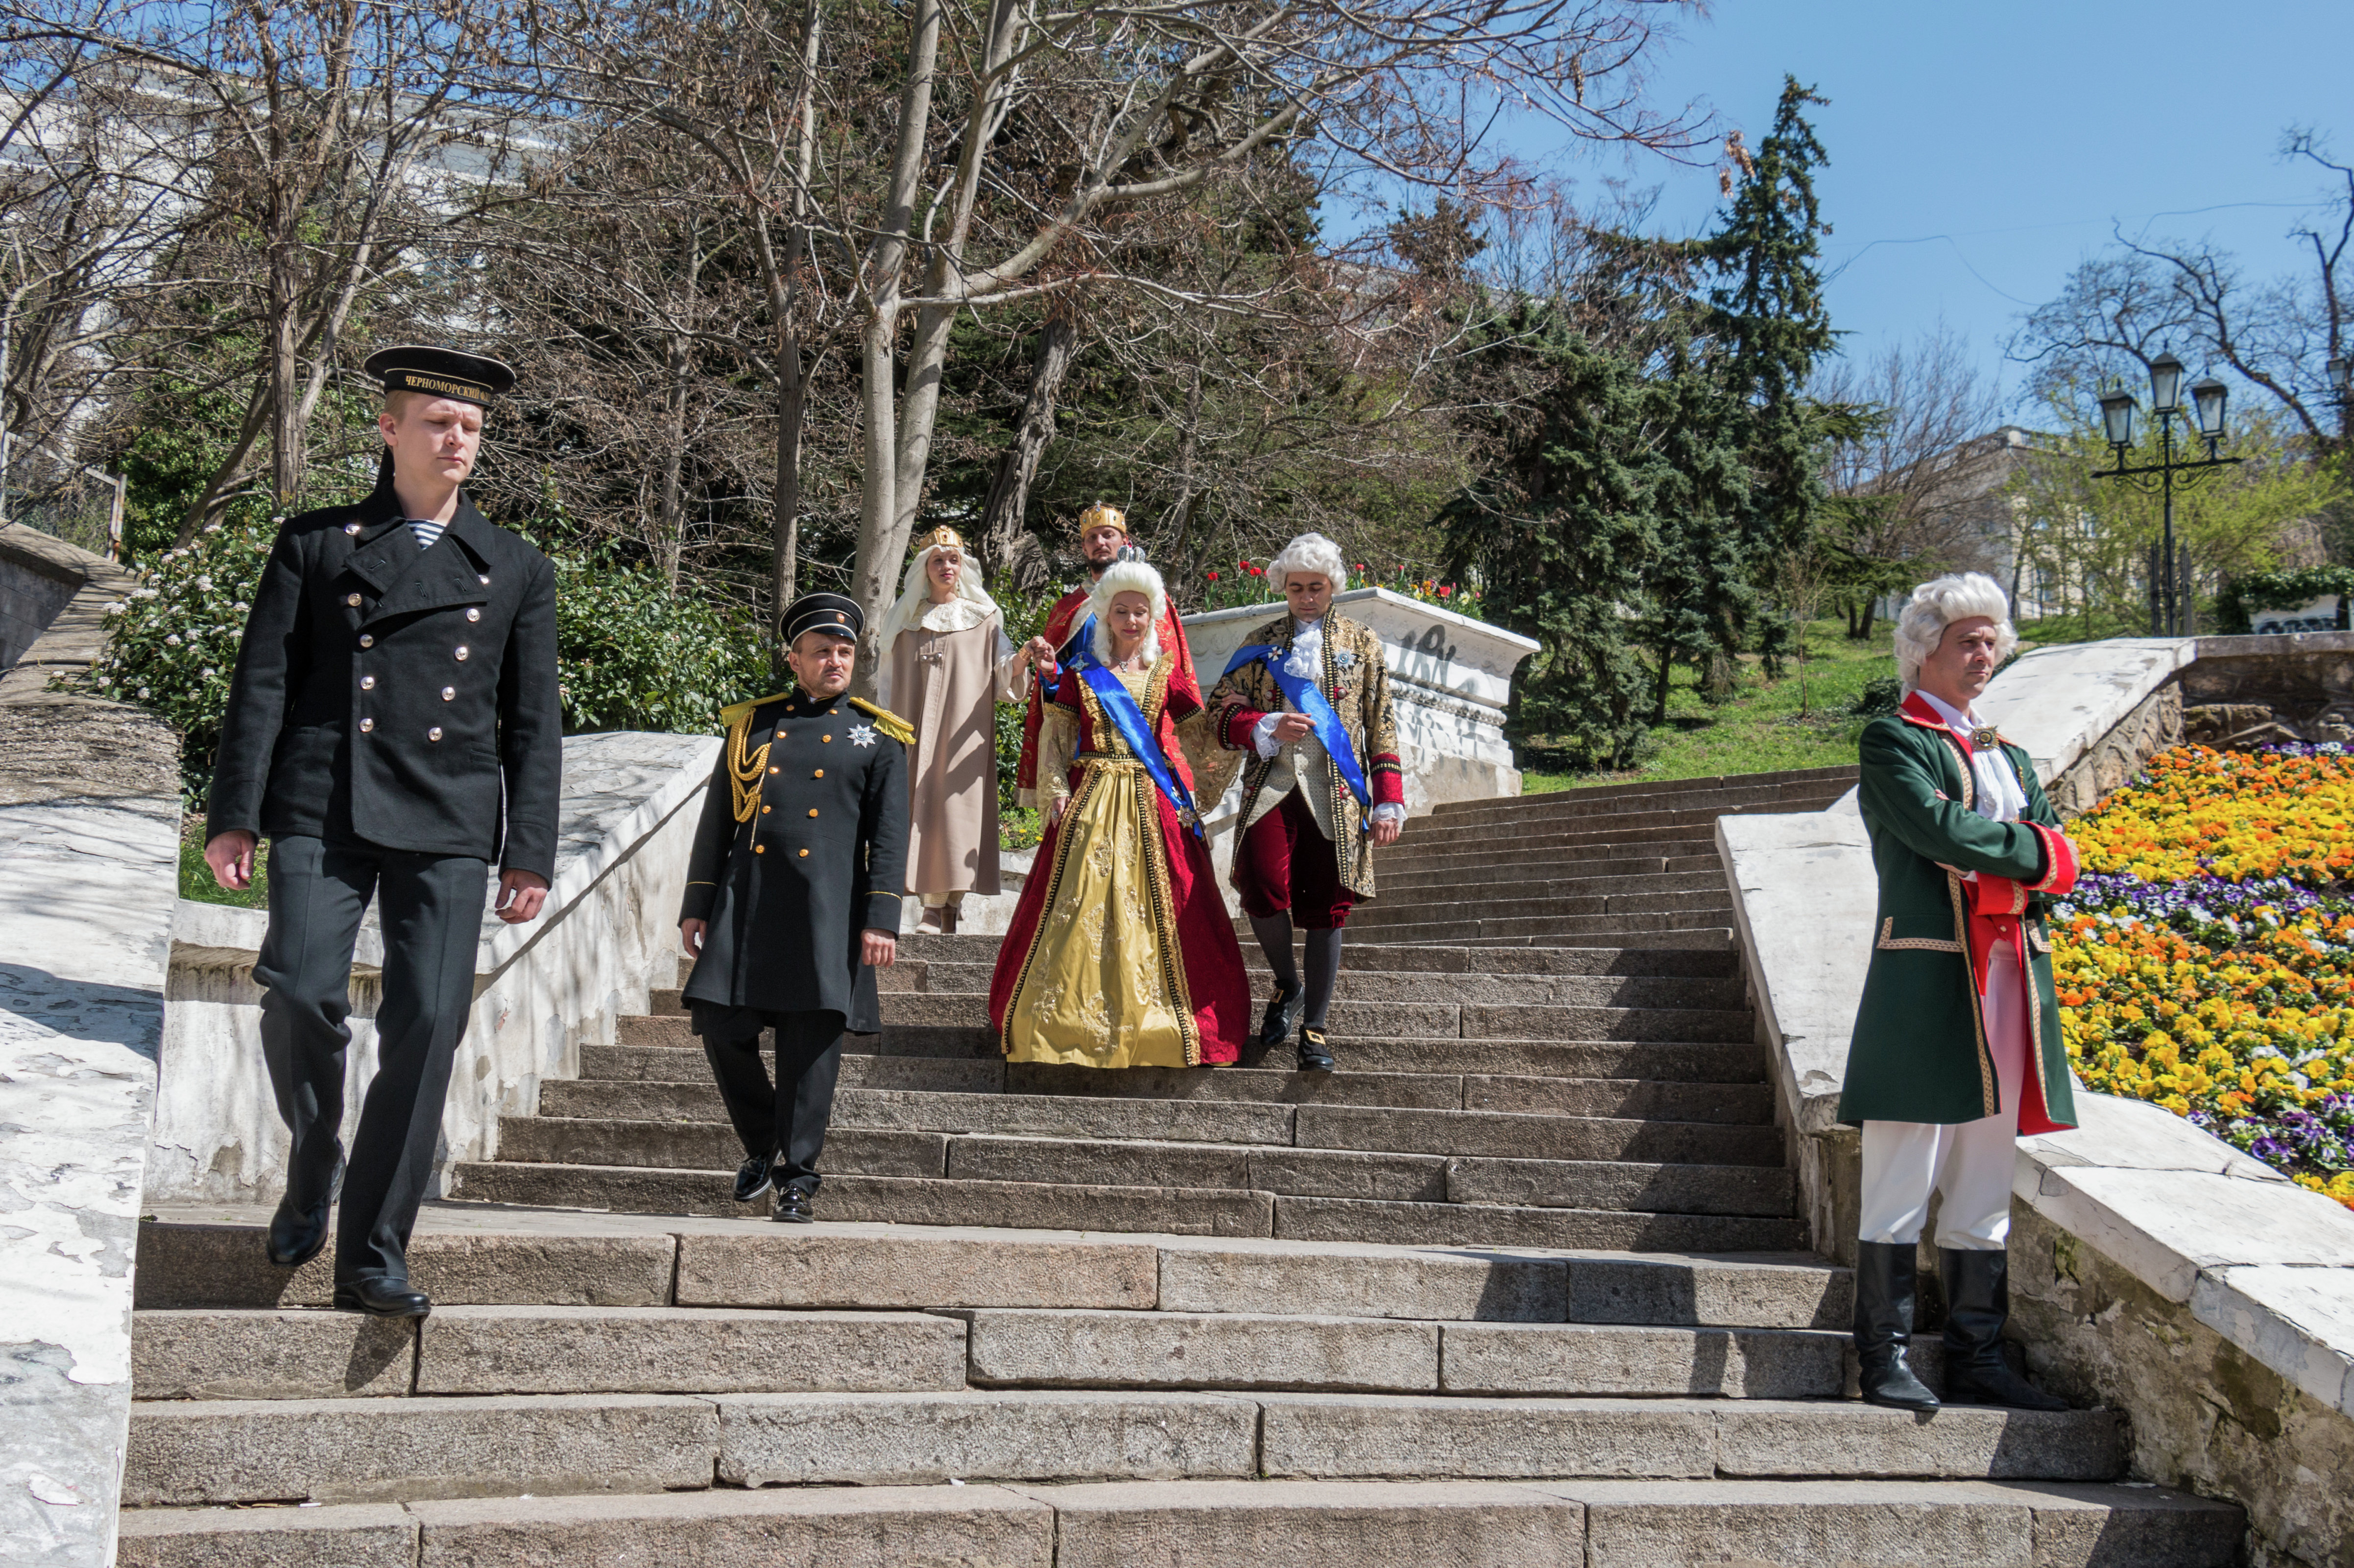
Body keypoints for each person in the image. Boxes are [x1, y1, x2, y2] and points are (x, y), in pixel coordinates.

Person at [203, 344, 560, 1319]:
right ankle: (315, 1152)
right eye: (440, 422)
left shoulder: (516, 568)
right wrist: (236, 812)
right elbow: (262, 684)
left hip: (447, 812)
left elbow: (532, 719)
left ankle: (372, 1252)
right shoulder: (316, 543)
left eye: (473, 427)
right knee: (300, 987)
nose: (458, 441)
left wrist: (528, 845)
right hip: (324, 797)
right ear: (390, 428)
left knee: (428, 1026)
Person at [1839, 572, 2080, 1413]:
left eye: (1991, 640)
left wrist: (2011, 861)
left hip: (2013, 980)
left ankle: (1978, 1355)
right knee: (1904, 1165)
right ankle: (1883, 1357)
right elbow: (1937, 831)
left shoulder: (2006, 752)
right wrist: (2028, 855)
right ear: (1923, 652)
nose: (1984, 654)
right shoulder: (1893, 742)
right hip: (1930, 976)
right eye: (1966, 641)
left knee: (1985, 1171)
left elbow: (2057, 856)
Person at [677, 592, 911, 1223]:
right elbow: (717, 821)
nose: (835, 661)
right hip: (747, 900)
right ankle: (762, 1141)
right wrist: (697, 903)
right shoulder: (752, 727)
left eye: (844, 651)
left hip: (827, 908)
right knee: (720, 1025)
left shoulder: (880, 739)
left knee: (811, 1049)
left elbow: (890, 838)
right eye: (821, 651)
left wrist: (881, 919)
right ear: (794, 658)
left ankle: (798, 1178)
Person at [987, 559, 1251, 1067]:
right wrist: (1054, 788)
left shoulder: (1166, 674)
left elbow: (1198, 734)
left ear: (1152, 619)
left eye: (1141, 612)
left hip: (1151, 804)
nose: (1132, 620)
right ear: (1106, 617)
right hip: (1091, 802)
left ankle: (1158, 1021)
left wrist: (1237, 719)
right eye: (1122, 611)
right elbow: (1057, 735)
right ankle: (1062, 1021)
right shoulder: (1081, 676)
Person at [1206, 533, 1404, 1073]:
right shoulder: (1260, 642)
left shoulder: (1362, 644)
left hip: (1336, 794)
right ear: (1283, 588)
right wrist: (1265, 723)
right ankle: (1288, 984)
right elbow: (1218, 715)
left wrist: (1388, 800)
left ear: (1332, 587)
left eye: (1316, 587)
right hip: (1272, 785)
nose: (1307, 597)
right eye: (1296, 588)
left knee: (1326, 909)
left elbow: (1381, 725)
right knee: (1263, 889)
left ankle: (1315, 1027)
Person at [874, 525, 1051, 933]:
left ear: (963, 565)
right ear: (925, 568)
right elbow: (887, 681)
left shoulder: (983, 619)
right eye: (937, 560)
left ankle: (944, 906)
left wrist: (1026, 653)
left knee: (957, 813)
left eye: (953, 559)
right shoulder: (904, 621)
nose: (946, 566)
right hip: (913, 730)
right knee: (919, 806)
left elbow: (1005, 674)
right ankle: (937, 909)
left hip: (963, 733)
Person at [1014, 501, 1194, 809]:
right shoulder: (1067, 607)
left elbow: (1172, 671)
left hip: (1144, 735)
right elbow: (1063, 685)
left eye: (1108, 535)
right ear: (1084, 548)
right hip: (1086, 739)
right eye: (1092, 538)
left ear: (1124, 541)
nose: (1100, 543)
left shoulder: (1153, 598)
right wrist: (1050, 673)